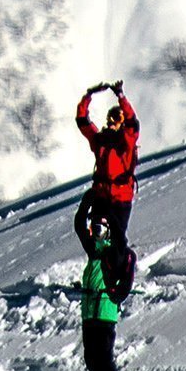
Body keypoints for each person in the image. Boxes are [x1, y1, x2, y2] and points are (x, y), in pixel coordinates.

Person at [74, 81, 139, 250]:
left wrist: (121, 97)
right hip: (102, 195)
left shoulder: (127, 141)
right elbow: (82, 121)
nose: (111, 121)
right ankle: (98, 271)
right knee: (98, 235)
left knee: (117, 240)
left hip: (120, 197)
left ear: (121, 123)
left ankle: (119, 272)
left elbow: (133, 123)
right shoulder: (100, 140)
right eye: (110, 117)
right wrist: (88, 95)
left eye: (116, 118)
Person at [77, 205, 123, 371]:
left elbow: (121, 239)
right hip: (89, 312)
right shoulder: (92, 250)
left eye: (100, 229)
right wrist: (86, 202)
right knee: (90, 355)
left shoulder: (114, 252)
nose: (96, 233)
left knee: (104, 355)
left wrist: (111, 217)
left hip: (105, 311)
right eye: (94, 229)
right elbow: (78, 226)